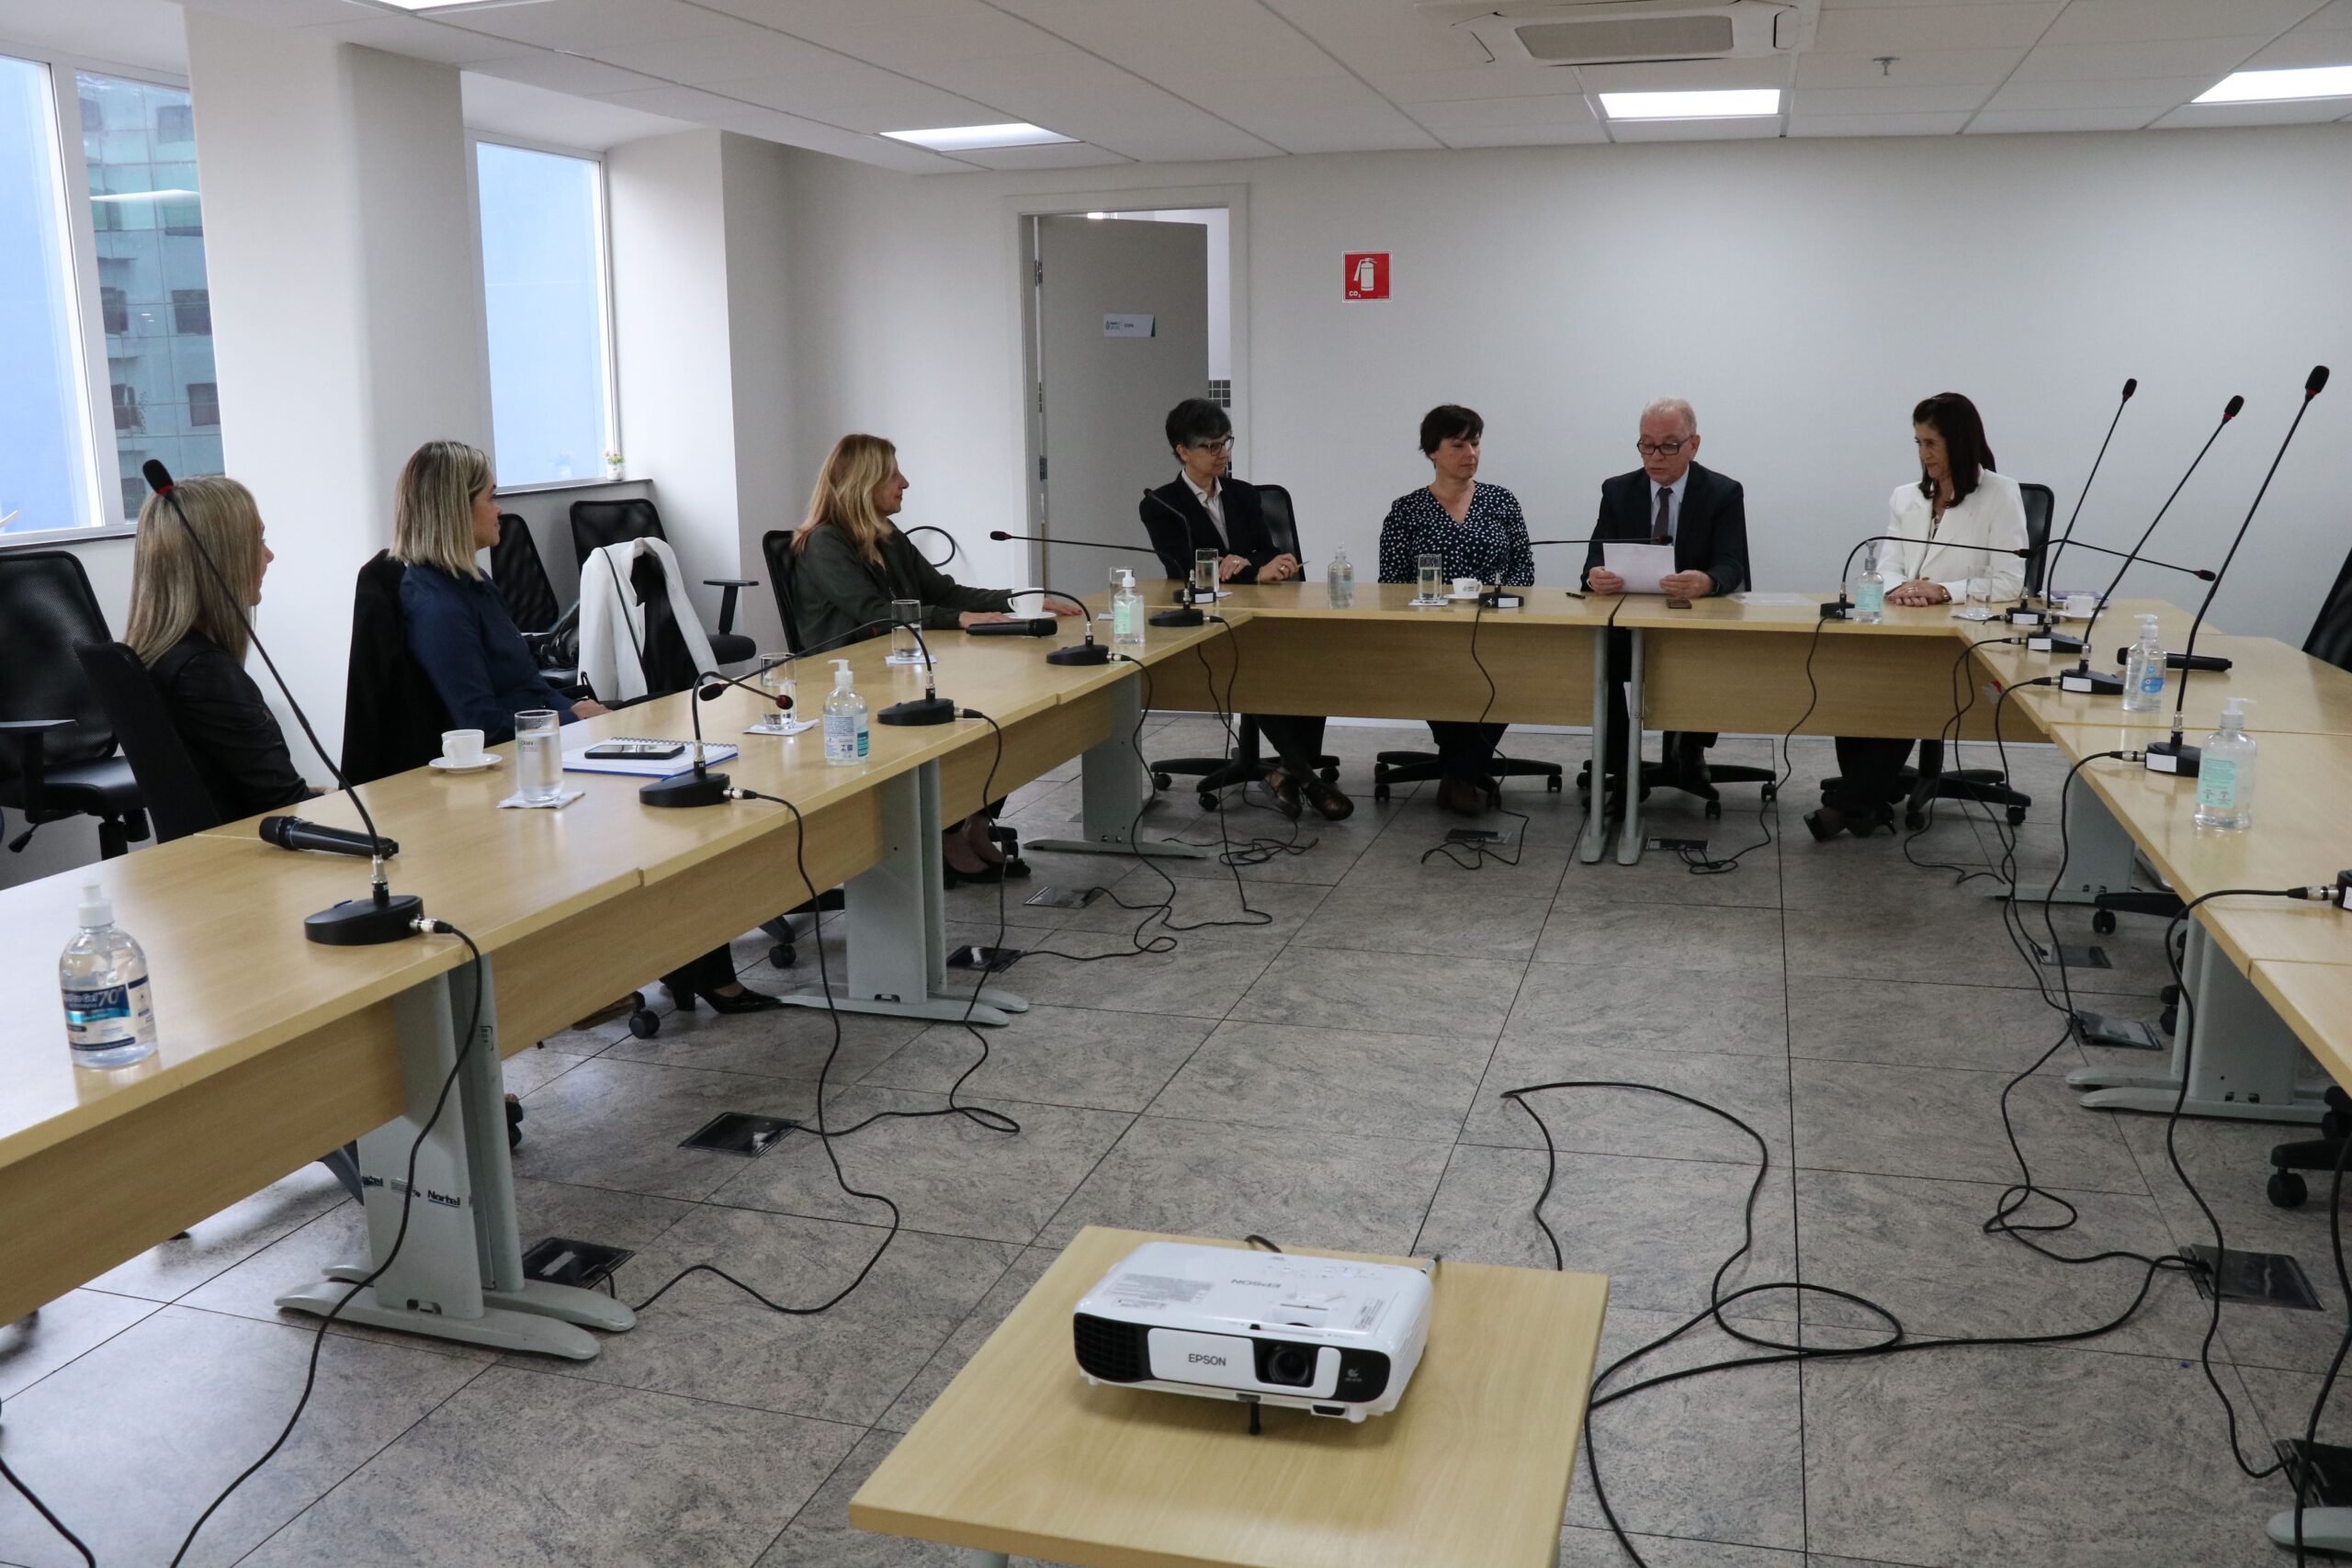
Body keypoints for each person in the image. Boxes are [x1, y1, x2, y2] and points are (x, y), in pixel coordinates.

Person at [393, 439, 778, 1015]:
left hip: (550, 743)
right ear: (454, 508)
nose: (499, 510)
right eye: (490, 498)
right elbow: (481, 721)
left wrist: (579, 705)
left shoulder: (473, 585)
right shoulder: (434, 602)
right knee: (663, 808)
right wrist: (571, 715)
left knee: (688, 777)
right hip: (516, 772)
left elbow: (524, 684)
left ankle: (694, 958)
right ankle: (658, 967)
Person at [789, 433, 1082, 878]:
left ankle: (976, 822)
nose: (904, 482)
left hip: (904, 668)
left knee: (1002, 710)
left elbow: (944, 592)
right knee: (970, 714)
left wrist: (1019, 598)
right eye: (892, 474)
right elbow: (874, 614)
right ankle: (945, 834)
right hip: (851, 684)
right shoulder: (823, 543)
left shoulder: (887, 536)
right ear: (862, 482)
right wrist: (962, 618)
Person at [1806, 392, 2029, 840]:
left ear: (1959, 443)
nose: (1923, 454)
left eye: (1932, 443)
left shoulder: (2000, 495)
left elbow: (2009, 582)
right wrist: (1901, 589)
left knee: (1899, 691)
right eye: (1918, 443)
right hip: (1901, 629)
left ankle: (1851, 805)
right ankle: (1863, 802)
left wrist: (1943, 590)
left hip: (1963, 638)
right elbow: (1886, 566)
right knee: (1852, 689)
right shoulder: (1906, 498)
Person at [1139, 399, 1349, 820]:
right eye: (1211, 447)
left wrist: (1246, 564)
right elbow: (1180, 566)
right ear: (1182, 449)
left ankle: (1287, 771)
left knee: (1310, 658)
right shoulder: (1160, 504)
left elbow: (1268, 550)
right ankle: (1306, 777)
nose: (1223, 454)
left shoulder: (1245, 495)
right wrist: (1246, 567)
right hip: (1207, 622)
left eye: (1226, 443)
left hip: (1262, 614)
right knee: (1250, 664)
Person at [1584, 398, 1749, 801]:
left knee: (1705, 655)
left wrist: (1706, 581)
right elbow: (1593, 559)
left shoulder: (1722, 492)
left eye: (1669, 446)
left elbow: (1734, 565)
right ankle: (1622, 767)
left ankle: (1688, 750)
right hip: (1631, 619)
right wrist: (1596, 576)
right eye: (1646, 445)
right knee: (1597, 655)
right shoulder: (1618, 490)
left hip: (1693, 621)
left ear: (1694, 444)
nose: (1655, 456)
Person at [124, 475, 314, 822]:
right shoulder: (205, 674)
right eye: (258, 541)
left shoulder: (157, 659)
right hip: (253, 862)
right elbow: (283, 804)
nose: (269, 555)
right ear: (220, 559)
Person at [1376, 404, 1534, 816]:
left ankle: (1459, 772)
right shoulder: (1406, 511)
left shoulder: (1501, 501)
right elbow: (1391, 584)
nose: (1471, 453)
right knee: (1436, 671)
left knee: (1511, 675)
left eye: (1476, 443)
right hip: (1430, 632)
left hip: (1496, 626)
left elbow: (1524, 570)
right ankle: (1464, 771)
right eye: (1458, 444)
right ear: (1432, 451)